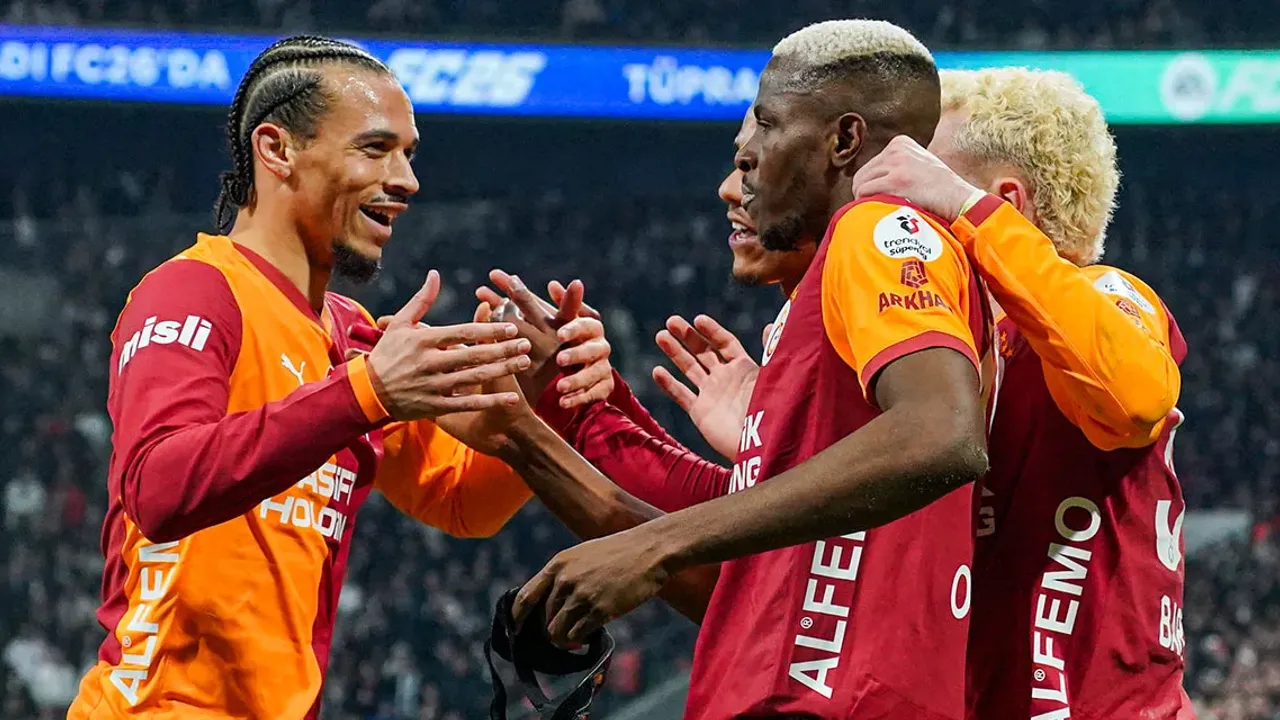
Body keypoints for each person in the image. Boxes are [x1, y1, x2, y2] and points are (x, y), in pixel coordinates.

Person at [66, 36, 612, 720]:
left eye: (408, 155)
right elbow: (158, 489)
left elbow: (461, 502)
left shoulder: (355, 337)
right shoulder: (194, 292)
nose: (407, 180)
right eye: (375, 149)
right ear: (277, 150)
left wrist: (540, 398)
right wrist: (364, 392)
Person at [500, 20, 993, 719]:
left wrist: (655, 543)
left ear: (844, 141)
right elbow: (756, 560)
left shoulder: (877, 231)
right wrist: (579, 417)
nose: (743, 162)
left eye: (766, 124)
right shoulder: (823, 312)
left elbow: (944, 432)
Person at [853, 68, 1192, 720]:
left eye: (923, 186)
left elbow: (1136, 396)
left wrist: (967, 210)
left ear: (1003, 202)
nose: (903, 217)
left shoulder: (1104, 294)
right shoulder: (959, 364)